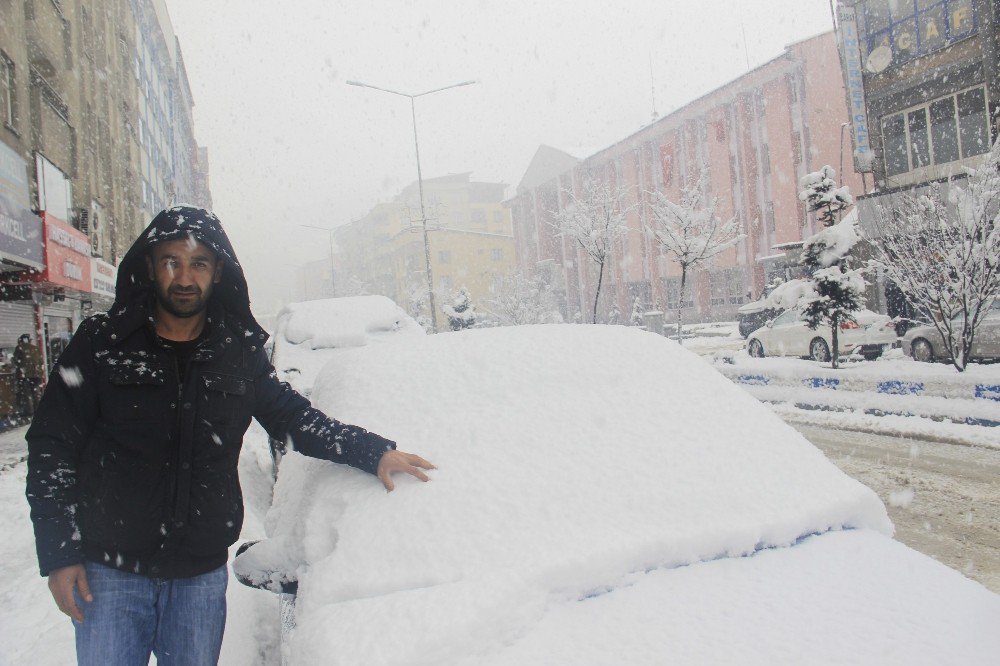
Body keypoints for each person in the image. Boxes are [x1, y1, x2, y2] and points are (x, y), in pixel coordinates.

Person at [25, 206, 435, 665]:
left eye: (198, 263)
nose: (185, 276)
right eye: (171, 261)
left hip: (197, 578)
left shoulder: (237, 353)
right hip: (109, 574)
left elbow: (293, 418)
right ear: (149, 265)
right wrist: (60, 553)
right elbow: (51, 447)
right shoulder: (102, 342)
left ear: (217, 272)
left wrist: (372, 452)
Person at [12, 333, 43, 421]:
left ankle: (29, 412)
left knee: (27, 394)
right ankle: (38, 410)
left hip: (25, 375)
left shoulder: (19, 348)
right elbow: (41, 361)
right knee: (36, 393)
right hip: (36, 374)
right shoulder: (36, 348)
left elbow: (16, 361)